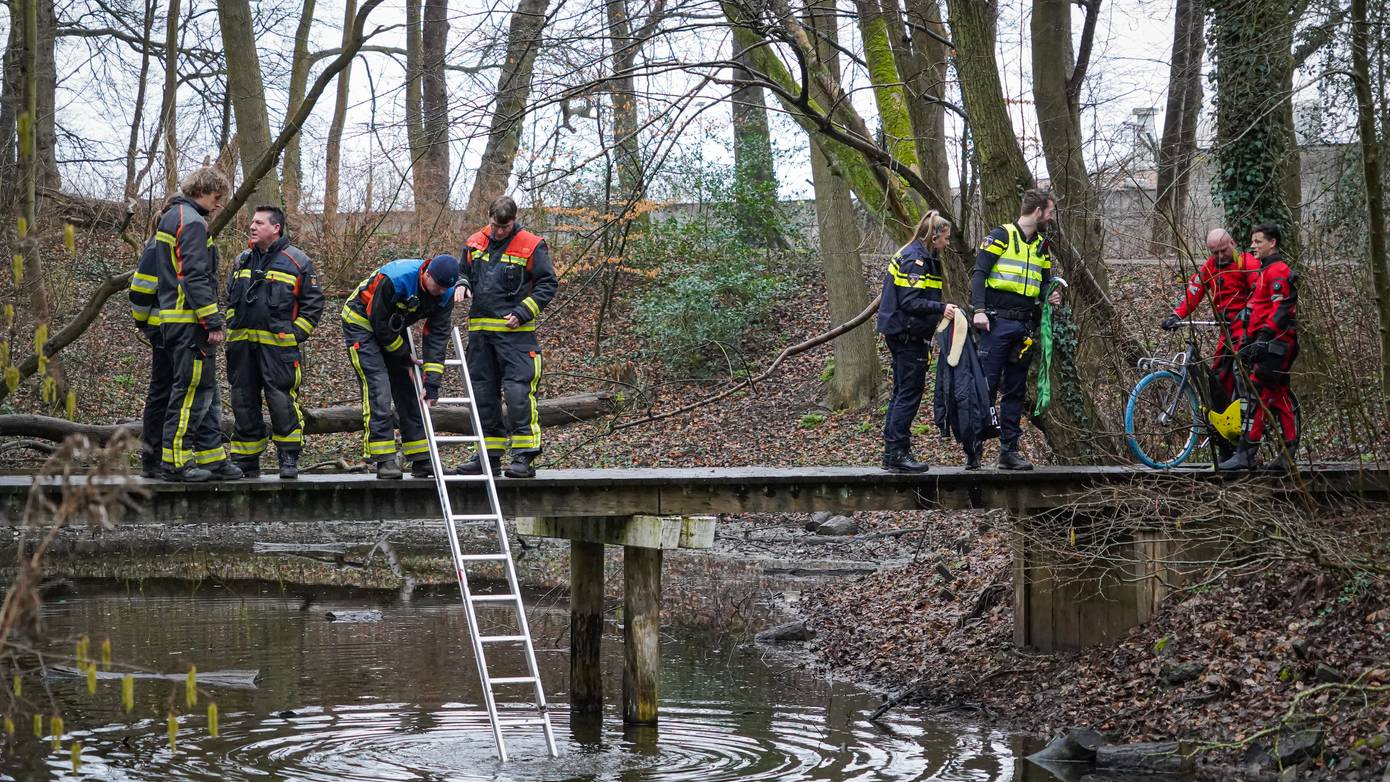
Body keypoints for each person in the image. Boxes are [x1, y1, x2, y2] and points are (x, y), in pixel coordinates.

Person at [148, 167, 241, 481]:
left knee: (206, 392)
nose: (217, 205)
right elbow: (195, 276)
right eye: (217, 198)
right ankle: (175, 463)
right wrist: (212, 320)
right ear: (203, 190)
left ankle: (212, 457)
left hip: (174, 321)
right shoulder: (192, 222)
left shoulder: (172, 217)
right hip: (190, 324)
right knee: (190, 393)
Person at [455, 196, 558, 479]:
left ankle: (524, 457)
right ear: (488, 217)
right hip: (480, 336)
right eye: (495, 225)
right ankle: (488, 456)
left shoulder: (531, 244)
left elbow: (548, 283)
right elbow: (461, 271)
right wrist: (462, 283)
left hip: (516, 337)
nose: (499, 231)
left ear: (514, 220)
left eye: (505, 226)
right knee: (483, 397)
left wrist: (524, 311)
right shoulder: (474, 242)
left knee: (518, 395)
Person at [224, 206, 324, 480]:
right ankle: (246, 459)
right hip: (242, 348)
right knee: (243, 401)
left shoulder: (297, 261)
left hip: (278, 350)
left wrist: (294, 335)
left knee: (281, 402)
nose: (252, 227)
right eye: (251, 222)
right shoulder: (242, 260)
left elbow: (313, 304)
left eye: (258, 223)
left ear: (276, 227)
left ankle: (288, 457)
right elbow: (229, 297)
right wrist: (233, 325)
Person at [970, 189, 1064, 471]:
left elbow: (1044, 281)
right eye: (1049, 212)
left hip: (1024, 327)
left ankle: (1008, 451)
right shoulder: (1001, 236)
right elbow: (979, 274)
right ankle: (973, 450)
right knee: (984, 388)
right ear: (1038, 212)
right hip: (996, 323)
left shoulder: (1042, 246)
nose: (1051, 217)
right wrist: (979, 311)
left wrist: (1051, 294)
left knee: (1015, 391)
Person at [342, 255, 460, 479]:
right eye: (436, 286)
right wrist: (403, 356)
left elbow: (436, 336)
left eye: (445, 288)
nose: (439, 292)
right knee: (378, 386)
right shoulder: (397, 278)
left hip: (393, 328)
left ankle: (421, 458)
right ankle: (384, 459)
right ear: (426, 274)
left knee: (408, 388)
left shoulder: (446, 293)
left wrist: (432, 382)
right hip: (362, 322)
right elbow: (378, 322)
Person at [1159, 228, 1259, 458]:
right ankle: (1226, 438)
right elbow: (1194, 290)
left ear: (1232, 243)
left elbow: (1258, 292)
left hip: (1245, 330)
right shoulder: (1210, 267)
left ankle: (1247, 433)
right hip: (1226, 331)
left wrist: (1247, 314)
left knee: (1239, 375)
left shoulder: (1246, 263)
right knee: (1216, 379)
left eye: (1223, 250)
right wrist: (1177, 315)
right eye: (1215, 252)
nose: (1220, 256)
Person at [875, 210, 958, 472]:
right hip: (907, 334)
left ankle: (893, 452)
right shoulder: (915, 260)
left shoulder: (923, 256)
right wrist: (940, 308)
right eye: (945, 238)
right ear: (934, 237)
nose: (947, 243)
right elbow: (910, 301)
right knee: (908, 392)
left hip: (908, 334)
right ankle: (898, 452)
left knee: (902, 391)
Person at [1219, 223, 1299, 471]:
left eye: (1258, 241)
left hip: (1277, 344)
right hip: (1267, 342)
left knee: (1258, 394)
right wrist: (1247, 342)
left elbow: (1281, 309)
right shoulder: (1267, 270)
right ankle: (1287, 453)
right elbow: (1255, 308)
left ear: (1272, 243)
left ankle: (1247, 453)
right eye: (1252, 241)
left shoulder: (1277, 271)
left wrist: (1263, 339)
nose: (1253, 246)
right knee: (1279, 394)